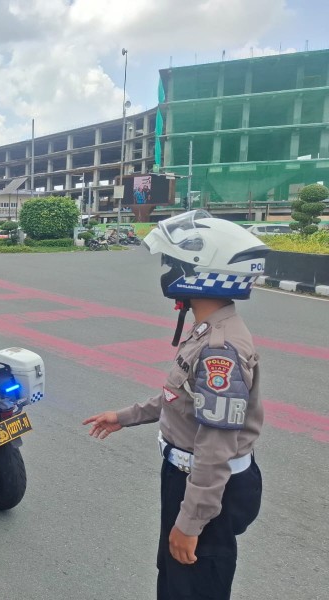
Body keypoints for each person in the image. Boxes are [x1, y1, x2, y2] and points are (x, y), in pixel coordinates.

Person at [83, 210, 269, 600]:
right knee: (173, 579)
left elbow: (216, 446)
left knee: (195, 585)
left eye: (173, 261)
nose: (167, 270)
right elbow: (180, 399)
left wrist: (192, 521)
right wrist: (125, 417)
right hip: (188, 479)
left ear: (200, 269)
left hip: (205, 487)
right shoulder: (206, 330)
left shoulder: (222, 348)